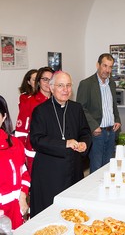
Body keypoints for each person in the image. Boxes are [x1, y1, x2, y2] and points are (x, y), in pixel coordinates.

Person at [30, 71, 92, 217]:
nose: (66, 89)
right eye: (61, 85)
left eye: (68, 85)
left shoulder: (76, 108)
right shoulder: (41, 111)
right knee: (51, 215)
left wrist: (84, 143)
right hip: (50, 173)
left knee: (74, 212)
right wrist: (64, 144)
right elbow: (36, 140)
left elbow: (85, 132)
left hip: (74, 169)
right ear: (51, 88)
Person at [76, 53, 121, 173]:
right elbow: (81, 108)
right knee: (96, 169)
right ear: (98, 65)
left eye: (110, 67)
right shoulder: (86, 84)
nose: (107, 70)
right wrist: (93, 126)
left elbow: (113, 105)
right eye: (105, 66)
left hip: (111, 132)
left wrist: (117, 119)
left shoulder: (112, 83)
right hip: (97, 133)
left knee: (108, 168)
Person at [0, 95, 30, 229]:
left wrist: (22, 197)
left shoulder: (15, 144)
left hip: (14, 210)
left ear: (4, 117)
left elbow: (24, 173)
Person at [17, 67, 54, 176]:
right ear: (38, 81)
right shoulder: (29, 102)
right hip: (34, 153)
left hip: (53, 151)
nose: (48, 83)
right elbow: (21, 132)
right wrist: (21, 157)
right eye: (45, 79)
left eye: (51, 79)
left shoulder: (57, 101)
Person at [15, 69, 38, 144]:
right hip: (29, 129)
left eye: (38, 79)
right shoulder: (24, 97)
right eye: (34, 80)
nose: (37, 82)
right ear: (28, 82)